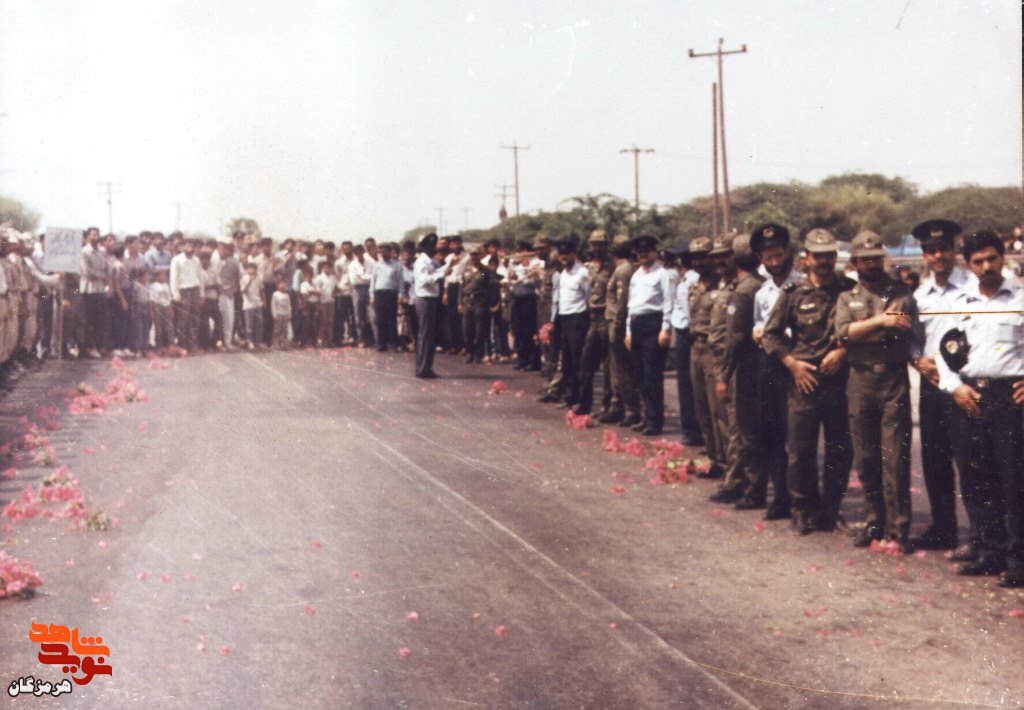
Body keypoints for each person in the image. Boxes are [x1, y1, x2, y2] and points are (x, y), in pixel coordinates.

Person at [936, 231, 1024, 587]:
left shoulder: (1020, 296)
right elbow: (943, 351)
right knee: (977, 478)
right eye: (978, 261)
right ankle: (990, 552)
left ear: (1002, 257)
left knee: (1015, 481)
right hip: (970, 396)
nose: (986, 266)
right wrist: (954, 386)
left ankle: (1019, 560)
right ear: (968, 264)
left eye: (991, 258)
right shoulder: (961, 301)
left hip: (1009, 398)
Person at [762, 229, 855, 534]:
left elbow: (865, 328)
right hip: (804, 382)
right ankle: (803, 510)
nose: (824, 261)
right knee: (800, 451)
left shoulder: (849, 289)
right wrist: (792, 365)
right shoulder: (793, 293)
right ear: (807, 258)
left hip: (839, 381)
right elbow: (770, 335)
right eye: (818, 256)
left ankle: (831, 511)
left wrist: (843, 352)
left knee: (839, 450)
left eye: (829, 255)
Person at [835, 230, 922, 553]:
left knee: (894, 457)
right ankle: (875, 521)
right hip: (859, 381)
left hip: (892, 380)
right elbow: (842, 334)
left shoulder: (900, 293)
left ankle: (898, 529)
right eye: (864, 260)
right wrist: (881, 322)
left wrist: (862, 332)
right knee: (866, 456)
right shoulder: (847, 297)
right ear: (855, 262)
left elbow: (897, 332)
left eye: (875, 259)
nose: (870, 264)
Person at [909, 219, 974, 552]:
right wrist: (917, 360)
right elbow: (913, 340)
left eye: (943, 249)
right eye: (931, 251)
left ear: (954, 250)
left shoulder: (973, 286)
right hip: (932, 385)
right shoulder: (919, 295)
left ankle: (983, 536)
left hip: (964, 383)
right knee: (934, 459)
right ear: (924, 254)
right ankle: (943, 528)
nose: (938, 256)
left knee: (970, 460)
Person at [709, 234, 765, 506]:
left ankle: (745, 485)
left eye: (727, 254)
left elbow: (735, 338)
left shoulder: (744, 290)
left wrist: (724, 375)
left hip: (742, 367)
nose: (722, 260)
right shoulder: (754, 285)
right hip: (749, 365)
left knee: (742, 428)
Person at [750, 224, 801, 519]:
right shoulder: (763, 293)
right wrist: (757, 330)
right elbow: (758, 322)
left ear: (787, 253)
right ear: (761, 259)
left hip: (796, 361)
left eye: (778, 255)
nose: (774, 261)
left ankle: (802, 500)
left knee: (798, 435)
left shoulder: (802, 286)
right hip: (770, 364)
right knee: (772, 432)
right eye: (768, 257)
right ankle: (781, 496)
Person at [624, 233, 675, 436]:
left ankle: (655, 421)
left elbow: (669, 302)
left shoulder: (663, 274)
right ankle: (646, 417)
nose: (643, 255)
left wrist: (666, 328)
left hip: (654, 324)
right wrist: (628, 331)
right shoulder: (636, 275)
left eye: (646, 251)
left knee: (652, 375)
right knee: (640, 375)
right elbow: (631, 305)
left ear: (654, 252)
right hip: (637, 325)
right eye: (639, 252)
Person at [687, 236, 724, 474]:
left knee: (717, 407)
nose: (699, 262)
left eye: (703, 257)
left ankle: (725, 459)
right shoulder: (693, 287)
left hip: (713, 349)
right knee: (701, 405)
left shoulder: (722, 286)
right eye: (695, 258)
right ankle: (712, 455)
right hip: (695, 348)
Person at [575, 230, 614, 416]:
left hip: (607, 316)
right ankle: (584, 403)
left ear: (606, 246)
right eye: (594, 244)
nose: (596, 248)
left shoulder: (613, 267)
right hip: (592, 317)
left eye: (600, 244)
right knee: (586, 363)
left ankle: (608, 405)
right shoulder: (587, 268)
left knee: (608, 366)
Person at [550, 239, 591, 410]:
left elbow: (588, 296)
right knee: (566, 361)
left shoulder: (582, 273)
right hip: (563, 318)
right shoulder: (561, 274)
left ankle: (581, 400)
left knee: (577, 361)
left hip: (578, 318)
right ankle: (569, 398)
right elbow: (558, 299)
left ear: (574, 254)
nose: (564, 257)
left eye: (567, 254)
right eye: (561, 254)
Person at [669, 242, 703, 445]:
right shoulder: (685, 279)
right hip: (683, 332)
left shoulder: (693, 280)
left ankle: (694, 430)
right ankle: (690, 428)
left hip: (689, 333)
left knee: (690, 384)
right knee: (685, 383)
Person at [412, 233, 451, 378]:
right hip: (425, 299)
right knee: (425, 335)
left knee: (428, 335)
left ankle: (425, 367)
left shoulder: (429, 261)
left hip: (430, 299)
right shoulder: (421, 262)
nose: (435, 249)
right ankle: (423, 368)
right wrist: (442, 274)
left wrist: (447, 268)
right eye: (432, 246)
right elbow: (424, 280)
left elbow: (435, 272)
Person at [508, 241, 543, 371]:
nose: (520, 254)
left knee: (530, 331)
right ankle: (522, 359)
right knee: (519, 330)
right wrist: (511, 277)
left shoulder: (536, 263)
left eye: (522, 251)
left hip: (530, 300)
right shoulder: (514, 265)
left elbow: (536, 281)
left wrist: (525, 274)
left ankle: (533, 361)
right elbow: (510, 281)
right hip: (517, 299)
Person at [460, 248, 493, 363]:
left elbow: (487, 285)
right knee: (467, 329)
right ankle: (470, 352)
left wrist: (487, 301)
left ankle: (478, 353)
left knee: (479, 329)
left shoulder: (484, 271)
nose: (474, 258)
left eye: (476, 255)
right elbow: (462, 287)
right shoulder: (466, 270)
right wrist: (460, 302)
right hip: (467, 300)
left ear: (480, 256)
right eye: (472, 255)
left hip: (479, 301)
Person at [169, 240, 202, 352]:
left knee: (195, 318)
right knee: (183, 319)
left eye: (192, 246)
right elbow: (173, 277)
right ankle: (182, 344)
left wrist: (201, 293)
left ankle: (193, 345)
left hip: (195, 289)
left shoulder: (196, 260)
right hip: (183, 291)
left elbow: (200, 277)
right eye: (188, 246)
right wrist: (175, 292)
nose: (190, 248)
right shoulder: (177, 260)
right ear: (183, 247)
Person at [369, 242, 402, 351]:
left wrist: (400, 295)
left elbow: (400, 281)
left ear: (390, 252)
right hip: (379, 293)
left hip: (391, 293)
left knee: (392, 319)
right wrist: (372, 295)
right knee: (380, 319)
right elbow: (373, 281)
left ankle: (393, 343)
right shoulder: (377, 265)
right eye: (381, 252)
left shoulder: (397, 265)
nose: (383, 254)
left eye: (386, 251)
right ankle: (381, 344)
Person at [240, 262, 265, 350]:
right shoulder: (244, 278)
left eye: (254, 268)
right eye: (250, 268)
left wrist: (263, 300)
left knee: (258, 324)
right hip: (248, 305)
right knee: (249, 325)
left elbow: (261, 290)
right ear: (247, 269)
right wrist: (250, 281)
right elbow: (243, 291)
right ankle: (249, 341)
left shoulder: (259, 278)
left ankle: (258, 342)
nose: (252, 270)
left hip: (257, 304)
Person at [313, 260, 338, 347]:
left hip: (331, 301)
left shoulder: (333, 277)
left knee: (330, 321)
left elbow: (337, 287)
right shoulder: (319, 278)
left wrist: (335, 292)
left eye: (328, 267)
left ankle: (330, 340)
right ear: (322, 268)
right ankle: (322, 340)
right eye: (325, 267)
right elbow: (316, 290)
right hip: (322, 301)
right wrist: (318, 301)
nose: (327, 269)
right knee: (323, 321)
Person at [149, 269, 174, 351]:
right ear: (156, 277)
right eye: (161, 275)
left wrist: (170, 309)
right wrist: (152, 311)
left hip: (166, 306)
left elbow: (169, 298)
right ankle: (159, 346)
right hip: (158, 306)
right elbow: (152, 300)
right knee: (158, 327)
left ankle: (170, 345)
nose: (163, 277)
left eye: (164, 275)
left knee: (168, 327)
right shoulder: (153, 286)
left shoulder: (166, 285)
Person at [271, 280, 292, 349]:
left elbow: (289, 305)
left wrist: (289, 313)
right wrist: (274, 314)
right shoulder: (275, 294)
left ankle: (283, 343)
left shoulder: (287, 295)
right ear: (278, 286)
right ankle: (276, 343)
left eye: (284, 284)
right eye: (281, 284)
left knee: (285, 330)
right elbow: (273, 305)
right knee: (277, 330)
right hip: (278, 313)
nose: (283, 286)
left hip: (285, 314)